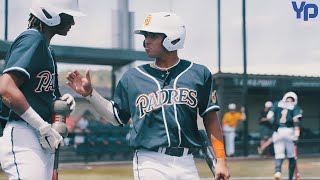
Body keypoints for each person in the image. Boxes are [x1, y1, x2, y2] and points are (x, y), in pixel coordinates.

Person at [66, 12, 230, 180]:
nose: (146, 41)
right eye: (145, 35)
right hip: (150, 161)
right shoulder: (133, 77)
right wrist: (90, 94)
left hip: (187, 160)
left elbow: (210, 118)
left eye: (153, 35)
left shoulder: (198, 73)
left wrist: (221, 159)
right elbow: (117, 117)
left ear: (172, 37)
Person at [0, 0, 83, 179]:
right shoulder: (33, 38)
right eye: (68, 16)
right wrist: (42, 126)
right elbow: (6, 87)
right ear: (50, 14)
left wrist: (62, 102)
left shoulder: (46, 48)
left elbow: (41, 96)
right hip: (23, 134)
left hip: (41, 136)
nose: (73, 23)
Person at [267, 92, 302, 180]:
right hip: (289, 131)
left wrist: (274, 125)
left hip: (278, 131)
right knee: (291, 156)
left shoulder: (277, 103)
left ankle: (278, 171)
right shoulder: (295, 106)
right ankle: (290, 178)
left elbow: (269, 116)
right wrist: (297, 136)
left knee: (279, 155)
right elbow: (296, 121)